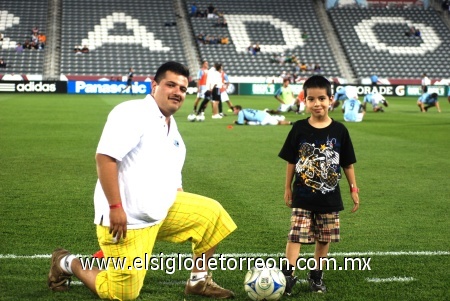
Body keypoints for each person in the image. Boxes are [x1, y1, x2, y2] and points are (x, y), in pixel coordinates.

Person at [47, 62, 237, 300]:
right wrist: (115, 207)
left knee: (212, 215)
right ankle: (66, 262)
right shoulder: (133, 113)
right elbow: (105, 158)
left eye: (182, 88)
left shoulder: (171, 126)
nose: (178, 92)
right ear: (154, 85)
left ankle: (198, 282)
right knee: (122, 294)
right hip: (127, 220)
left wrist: (180, 205)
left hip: (160, 212)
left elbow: (172, 174)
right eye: (171, 85)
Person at [278, 75, 360, 295]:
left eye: (322, 98)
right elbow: (291, 161)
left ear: (331, 99)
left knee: (324, 238)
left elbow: (347, 163)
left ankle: (316, 277)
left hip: (329, 197)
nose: (317, 104)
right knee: (296, 235)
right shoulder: (298, 128)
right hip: (302, 195)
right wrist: (287, 188)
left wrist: (354, 189)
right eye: (311, 99)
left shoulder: (340, 130)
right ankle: (287, 276)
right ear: (304, 100)